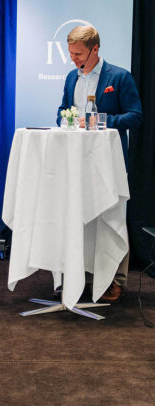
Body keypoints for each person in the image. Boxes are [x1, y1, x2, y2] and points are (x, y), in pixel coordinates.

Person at [56, 25, 142, 303]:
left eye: (78, 53)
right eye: (70, 53)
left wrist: (99, 121)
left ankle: (116, 280)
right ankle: (81, 276)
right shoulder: (71, 77)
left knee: (110, 215)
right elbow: (62, 110)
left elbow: (135, 116)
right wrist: (64, 120)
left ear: (95, 49)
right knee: (78, 215)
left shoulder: (119, 76)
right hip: (75, 160)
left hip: (109, 162)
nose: (73, 59)